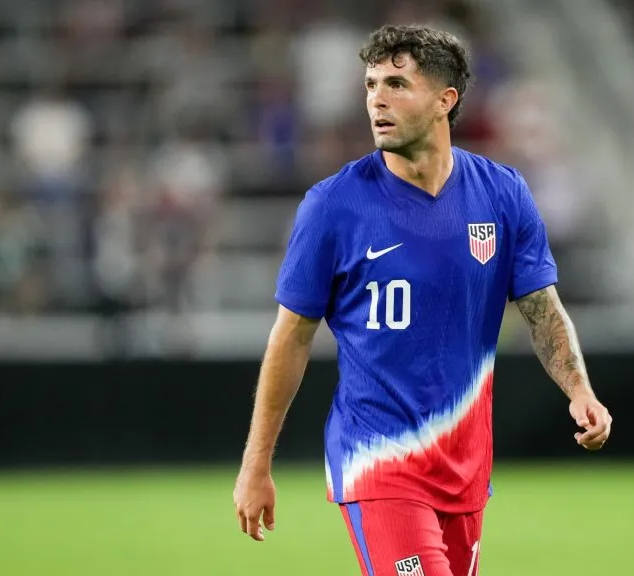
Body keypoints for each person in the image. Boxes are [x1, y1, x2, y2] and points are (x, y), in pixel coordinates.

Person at [233, 24, 612, 576]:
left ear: (444, 100)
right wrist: (256, 463)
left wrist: (578, 388)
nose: (376, 100)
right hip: (377, 463)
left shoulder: (502, 194)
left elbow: (542, 309)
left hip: (464, 468)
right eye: (369, 85)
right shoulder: (333, 207)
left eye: (395, 84)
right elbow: (290, 337)